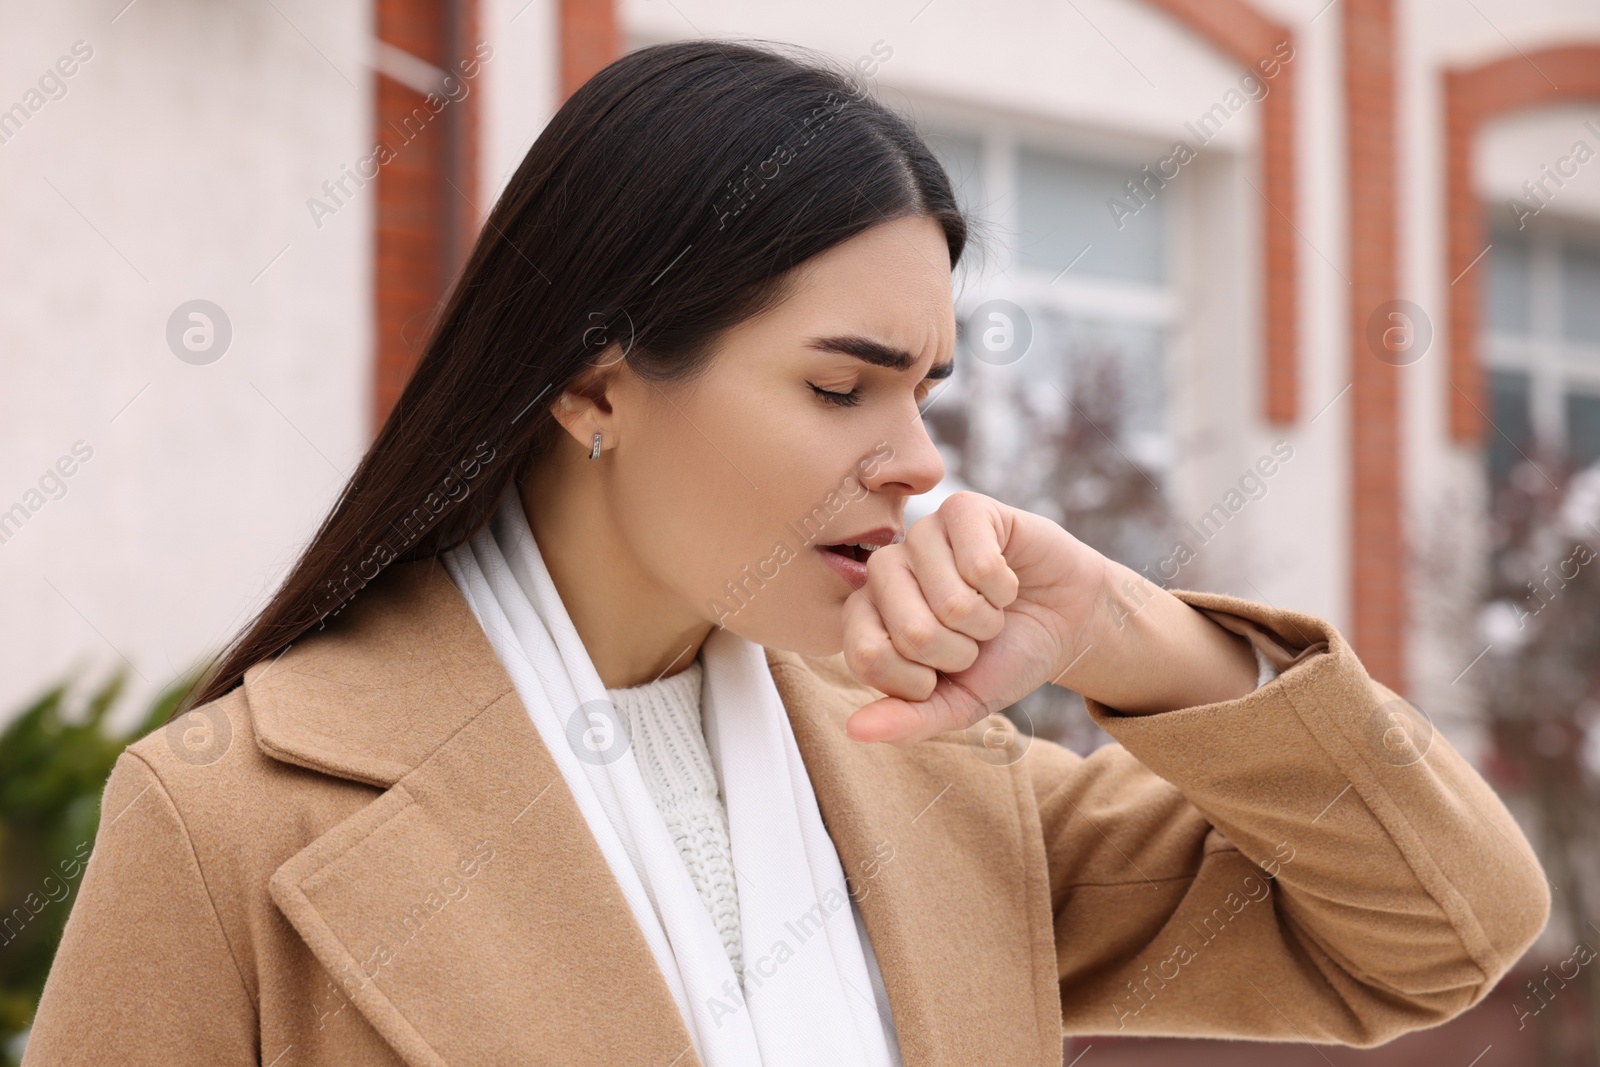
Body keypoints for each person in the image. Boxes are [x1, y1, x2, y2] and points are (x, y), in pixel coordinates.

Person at [23, 38, 1548, 1067]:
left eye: (925, 390)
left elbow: (1440, 927)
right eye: (840, 385)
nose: (918, 460)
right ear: (597, 382)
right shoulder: (237, 816)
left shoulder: (938, 779)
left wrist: (1130, 636)